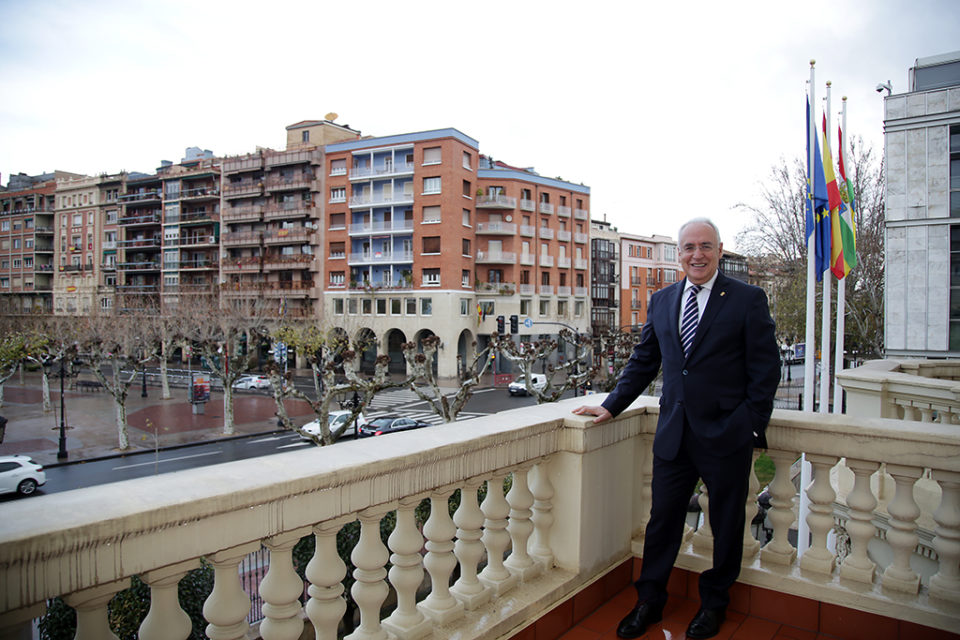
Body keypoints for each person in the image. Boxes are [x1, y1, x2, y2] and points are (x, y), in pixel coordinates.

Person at [573, 218, 780, 640]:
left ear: (718, 250)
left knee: (726, 524)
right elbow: (644, 360)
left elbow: (766, 368)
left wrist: (749, 425)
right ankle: (649, 602)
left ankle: (714, 605)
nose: (696, 254)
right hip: (675, 433)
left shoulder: (747, 299)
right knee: (662, 521)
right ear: (680, 254)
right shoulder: (663, 300)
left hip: (726, 435)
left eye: (705, 246)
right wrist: (611, 405)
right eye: (689, 247)